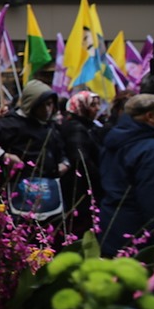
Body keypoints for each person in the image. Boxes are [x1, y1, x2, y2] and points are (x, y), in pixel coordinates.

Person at [0, 79, 69, 221]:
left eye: (50, 105)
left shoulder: (50, 126)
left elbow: (60, 148)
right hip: (19, 191)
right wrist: (3, 156)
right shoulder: (10, 123)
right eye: (42, 105)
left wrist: (64, 162)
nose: (47, 110)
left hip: (49, 191)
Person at [98, 94, 154, 256]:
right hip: (137, 234)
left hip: (110, 226)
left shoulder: (114, 139)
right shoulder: (151, 149)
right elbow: (152, 200)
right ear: (150, 116)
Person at [61, 90, 104, 236]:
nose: (97, 108)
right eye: (93, 105)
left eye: (98, 104)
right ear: (81, 107)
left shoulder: (88, 126)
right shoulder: (76, 129)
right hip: (81, 189)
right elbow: (81, 160)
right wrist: (99, 179)